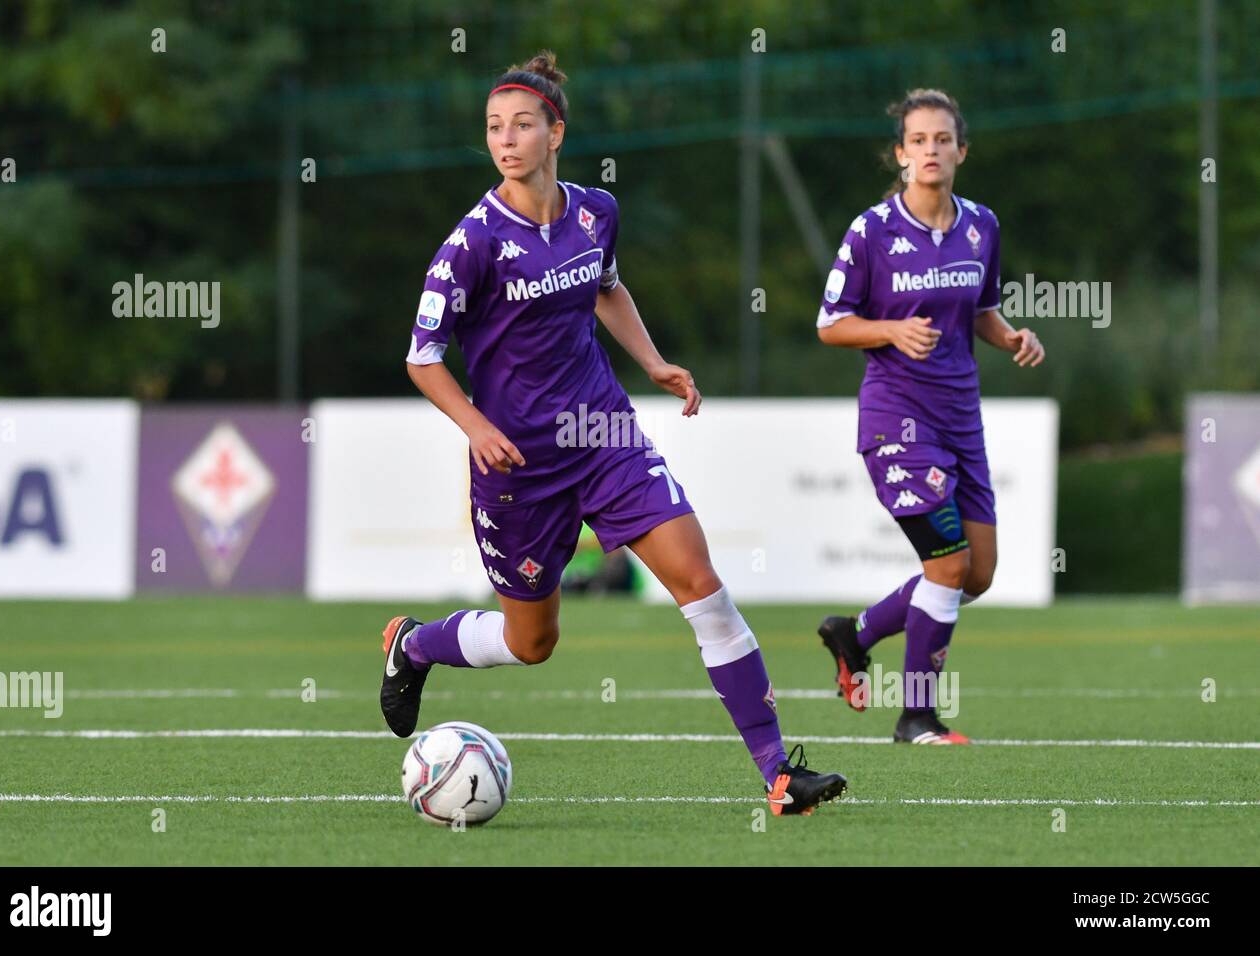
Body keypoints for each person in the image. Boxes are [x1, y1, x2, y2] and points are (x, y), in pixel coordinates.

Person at [385, 51, 847, 813]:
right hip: (519, 467)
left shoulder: (595, 211)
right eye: (495, 127)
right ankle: (415, 644)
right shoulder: (470, 244)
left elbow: (606, 287)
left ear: (555, 132)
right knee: (533, 642)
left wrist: (656, 363)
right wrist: (475, 426)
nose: (506, 139)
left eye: (522, 125)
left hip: (602, 432)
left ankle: (778, 773)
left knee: (701, 586)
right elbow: (423, 357)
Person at [814, 89, 1045, 744]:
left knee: (978, 574)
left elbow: (981, 313)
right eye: (917, 141)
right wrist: (888, 329)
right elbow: (831, 325)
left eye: (942, 139)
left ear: (961, 151)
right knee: (947, 567)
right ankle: (917, 716)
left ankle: (854, 634)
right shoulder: (872, 231)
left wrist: (1013, 338)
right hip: (897, 420)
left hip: (960, 418)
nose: (930, 151)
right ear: (901, 154)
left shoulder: (982, 226)